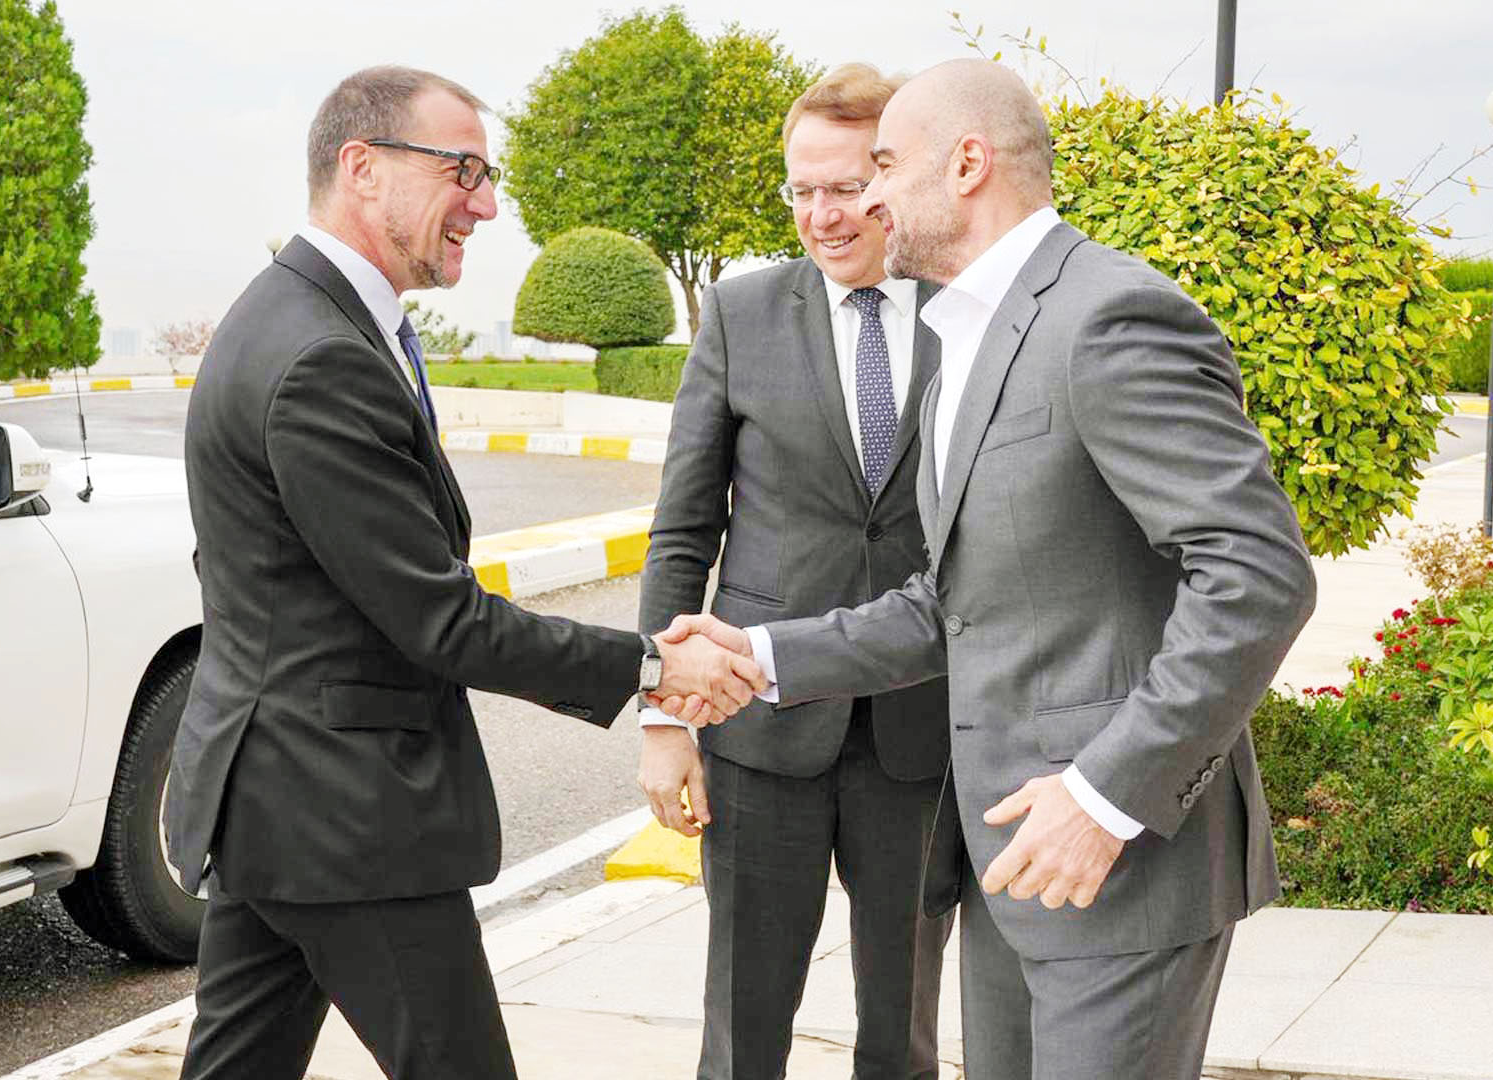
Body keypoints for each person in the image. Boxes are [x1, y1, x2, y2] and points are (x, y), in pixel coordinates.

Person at [659, 59, 1318, 1080]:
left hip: (1114, 861)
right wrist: (760, 655)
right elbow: (955, 600)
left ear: (966, 165)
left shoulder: (1108, 316)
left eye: (883, 167)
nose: (867, 200)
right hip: (1009, 859)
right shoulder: (967, 335)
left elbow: (1259, 576)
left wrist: (1105, 796)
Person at [164, 66, 763, 1080]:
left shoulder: (292, 317)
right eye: (464, 171)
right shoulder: (319, 355)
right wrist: (657, 667)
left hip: (275, 798)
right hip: (345, 813)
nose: (484, 206)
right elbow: (439, 619)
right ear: (363, 167)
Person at [636, 63, 953, 1080]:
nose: (822, 215)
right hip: (756, 725)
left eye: (847, 186)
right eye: (801, 190)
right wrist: (663, 719)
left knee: (902, 1027)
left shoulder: (969, 314)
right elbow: (683, 529)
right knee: (743, 1024)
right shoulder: (740, 313)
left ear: (894, 177)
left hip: (920, 725)